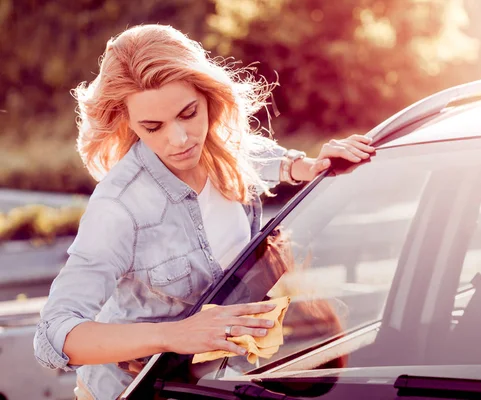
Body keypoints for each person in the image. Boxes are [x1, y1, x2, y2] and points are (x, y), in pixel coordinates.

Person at [32, 24, 374, 399]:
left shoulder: (221, 149)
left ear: (208, 97)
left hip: (218, 384)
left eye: (188, 113)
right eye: (153, 126)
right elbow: (53, 335)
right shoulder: (118, 208)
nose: (179, 140)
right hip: (136, 392)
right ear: (127, 120)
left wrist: (308, 167)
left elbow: (254, 154)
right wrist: (175, 335)